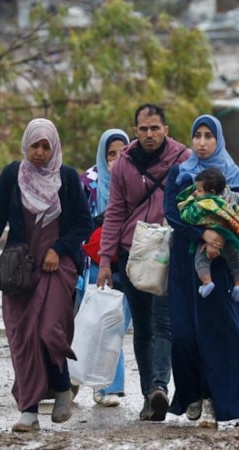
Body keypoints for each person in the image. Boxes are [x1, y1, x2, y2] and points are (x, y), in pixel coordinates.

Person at [0, 118, 92, 432]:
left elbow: (83, 224)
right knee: (23, 338)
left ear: (54, 147)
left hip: (57, 266)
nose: (39, 152)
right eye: (34, 146)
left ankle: (62, 386)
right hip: (20, 270)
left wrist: (59, 249)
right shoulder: (13, 175)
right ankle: (29, 410)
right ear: (26, 145)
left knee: (49, 330)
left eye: (45, 146)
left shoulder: (66, 177)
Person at [164, 114, 239, 428]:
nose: (203, 142)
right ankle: (192, 393)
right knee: (183, 334)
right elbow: (172, 214)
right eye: (198, 135)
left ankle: (238, 406)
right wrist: (202, 235)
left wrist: (220, 237)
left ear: (218, 139)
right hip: (187, 263)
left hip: (222, 263)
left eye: (209, 136)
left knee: (224, 334)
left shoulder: (231, 173)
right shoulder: (180, 173)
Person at [96, 104, 191, 421]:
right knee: (142, 327)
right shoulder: (124, 163)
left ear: (166, 129)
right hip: (131, 253)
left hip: (169, 252)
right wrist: (105, 262)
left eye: (155, 128)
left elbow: (194, 205)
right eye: (144, 129)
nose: (150, 134)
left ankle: (159, 387)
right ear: (135, 130)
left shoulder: (183, 159)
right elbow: (114, 213)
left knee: (163, 323)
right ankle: (151, 395)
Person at [75, 128, 133, 407]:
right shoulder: (88, 182)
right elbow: (76, 220)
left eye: (122, 153)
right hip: (97, 264)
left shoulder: (137, 179)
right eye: (111, 154)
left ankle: (105, 383)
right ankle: (99, 384)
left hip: (132, 264)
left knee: (117, 326)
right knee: (99, 324)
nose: (116, 159)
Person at [177, 167, 239, 301]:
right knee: (237, 263)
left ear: (212, 192)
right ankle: (238, 286)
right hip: (230, 239)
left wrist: (186, 206)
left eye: (199, 190)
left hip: (207, 241)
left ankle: (207, 283)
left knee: (201, 261)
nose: (195, 192)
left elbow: (188, 217)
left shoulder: (203, 204)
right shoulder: (230, 195)